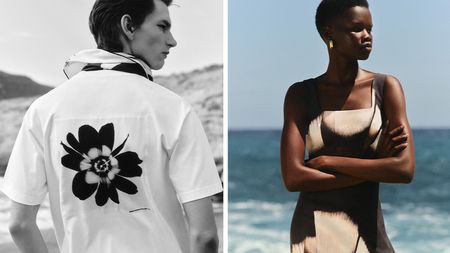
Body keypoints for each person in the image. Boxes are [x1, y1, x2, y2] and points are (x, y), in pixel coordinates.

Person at [1, 0, 223, 252]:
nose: (172, 40)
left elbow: (19, 225)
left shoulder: (42, 110)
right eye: (162, 26)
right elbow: (205, 236)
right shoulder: (174, 109)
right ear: (128, 25)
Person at [280, 0, 415, 252]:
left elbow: (404, 170)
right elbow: (293, 177)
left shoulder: (386, 88)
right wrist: (375, 164)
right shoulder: (300, 95)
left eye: (370, 29)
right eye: (357, 28)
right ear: (329, 32)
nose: (367, 36)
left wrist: (329, 162)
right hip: (313, 234)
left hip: (368, 232)